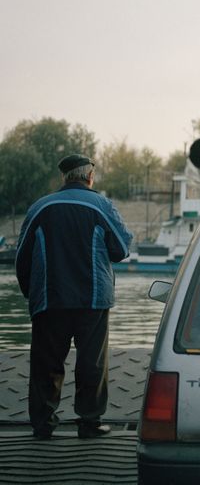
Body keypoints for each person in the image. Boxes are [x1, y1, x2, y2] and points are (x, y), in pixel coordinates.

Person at [15, 154, 133, 440]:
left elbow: (22, 257)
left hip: (49, 299)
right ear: (89, 176)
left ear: (65, 177)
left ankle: (43, 426)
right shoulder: (102, 205)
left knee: (47, 363)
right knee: (91, 362)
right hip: (92, 300)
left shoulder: (40, 207)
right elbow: (120, 249)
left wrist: (31, 293)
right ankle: (89, 423)